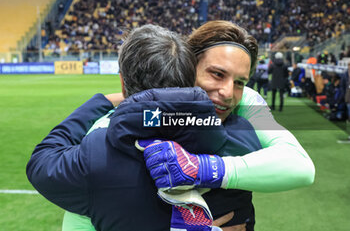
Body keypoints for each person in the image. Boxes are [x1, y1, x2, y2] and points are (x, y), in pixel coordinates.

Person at [60, 21, 315, 231]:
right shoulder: (119, 126)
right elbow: (80, 219)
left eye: (239, 81)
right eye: (217, 74)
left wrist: (204, 169)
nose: (228, 92)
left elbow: (300, 166)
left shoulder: (248, 101)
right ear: (186, 67)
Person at [27, 24, 263, 231]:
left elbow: (41, 162)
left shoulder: (98, 154)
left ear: (122, 83)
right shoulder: (240, 139)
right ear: (190, 77)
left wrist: (101, 101)